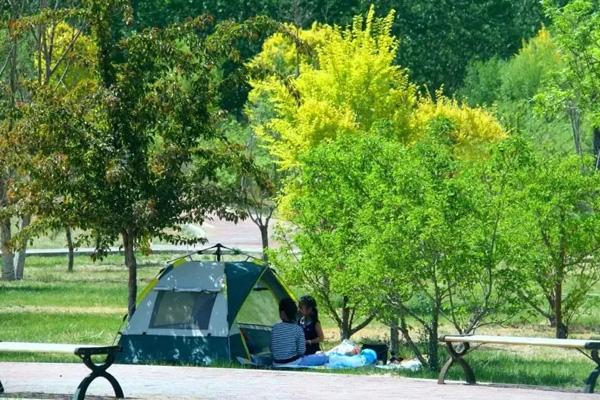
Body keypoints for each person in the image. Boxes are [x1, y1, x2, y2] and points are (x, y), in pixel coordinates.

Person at [270, 297, 306, 366]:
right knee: (317, 358)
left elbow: (271, 348)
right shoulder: (298, 329)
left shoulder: (274, 328)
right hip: (293, 363)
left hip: (276, 364)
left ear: (282, 313)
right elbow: (302, 351)